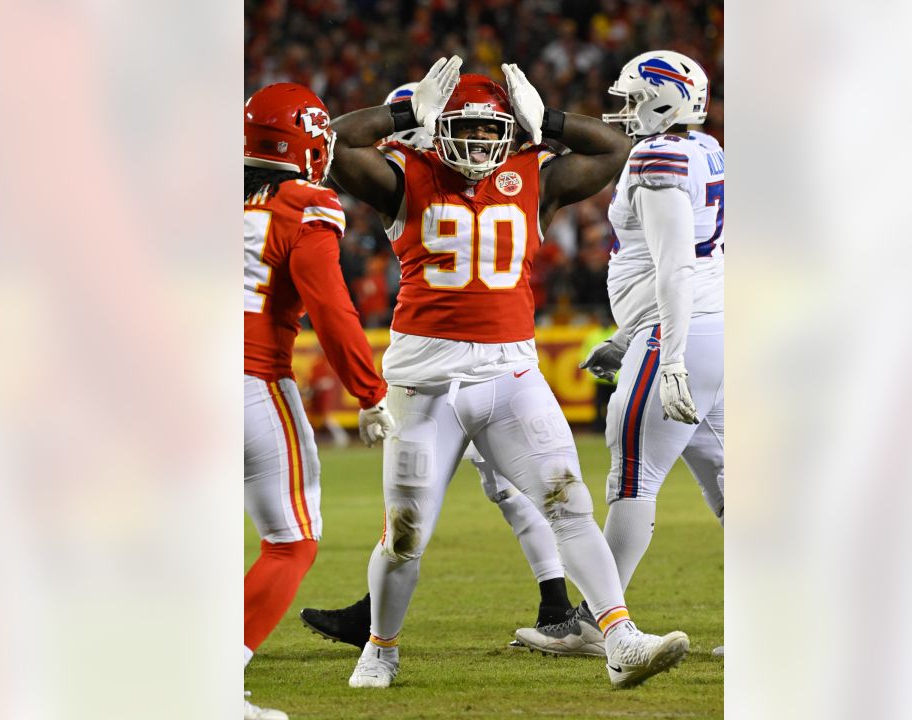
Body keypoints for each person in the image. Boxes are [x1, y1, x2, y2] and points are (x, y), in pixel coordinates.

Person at [326, 55, 689, 690]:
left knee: (568, 502)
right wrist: (402, 114)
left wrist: (547, 119)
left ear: (510, 129)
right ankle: (380, 648)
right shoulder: (405, 177)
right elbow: (330, 142)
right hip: (424, 384)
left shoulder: (534, 174)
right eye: (462, 129)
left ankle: (620, 638)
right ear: (438, 128)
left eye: (489, 129)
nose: (476, 142)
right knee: (406, 533)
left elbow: (615, 148)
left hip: (510, 372)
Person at [299, 82, 585, 655]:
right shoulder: (431, 175)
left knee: (504, 495)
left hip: (473, 363)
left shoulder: (468, 174)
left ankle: (564, 606)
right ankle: (551, 603)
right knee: (459, 504)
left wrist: (544, 121)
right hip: (457, 361)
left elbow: (345, 145)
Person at [524, 50, 726, 659]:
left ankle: (596, 624)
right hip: (713, 329)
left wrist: (668, 355)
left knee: (632, 478)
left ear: (665, 98)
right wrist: (624, 337)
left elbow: (675, 265)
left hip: (679, 334)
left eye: (636, 98)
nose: (627, 110)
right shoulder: (705, 146)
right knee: (729, 482)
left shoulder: (658, 157)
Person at [242, 82, 396, 719]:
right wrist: (369, 390)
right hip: (250, 378)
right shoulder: (304, 205)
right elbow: (331, 309)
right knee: (292, 540)